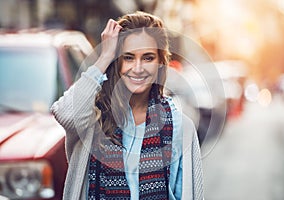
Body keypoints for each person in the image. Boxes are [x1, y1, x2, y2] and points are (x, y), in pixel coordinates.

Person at [51, 11, 204, 200]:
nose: (138, 68)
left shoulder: (181, 127)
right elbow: (65, 114)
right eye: (128, 57)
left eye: (148, 58)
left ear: (160, 63)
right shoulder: (93, 118)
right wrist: (105, 56)